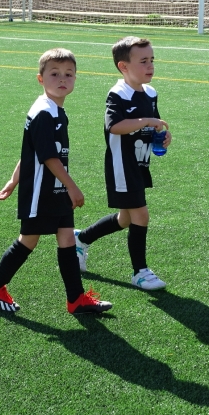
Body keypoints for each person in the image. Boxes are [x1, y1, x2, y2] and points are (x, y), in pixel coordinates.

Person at [0, 48, 113, 315]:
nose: (62, 79)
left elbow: (30, 152)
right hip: (41, 190)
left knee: (66, 237)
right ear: (41, 78)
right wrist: (72, 185)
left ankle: (76, 298)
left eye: (68, 74)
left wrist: (12, 180)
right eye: (54, 74)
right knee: (29, 239)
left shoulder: (55, 110)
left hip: (55, 188)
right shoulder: (44, 112)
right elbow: (47, 157)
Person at [73, 37, 170, 291]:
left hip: (140, 163)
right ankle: (140, 272)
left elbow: (154, 124)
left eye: (152, 60)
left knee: (126, 218)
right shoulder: (118, 93)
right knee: (141, 215)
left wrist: (162, 135)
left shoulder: (150, 92)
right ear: (123, 66)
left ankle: (81, 239)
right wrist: (145, 121)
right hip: (122, 166)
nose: (150, 66)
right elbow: (114, 126)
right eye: (143, 61)